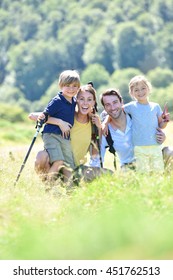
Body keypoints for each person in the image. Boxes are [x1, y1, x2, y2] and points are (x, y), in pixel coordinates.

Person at [29, 83, 105, 184]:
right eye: (81, 99)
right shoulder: (68, 116)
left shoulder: (94, 123)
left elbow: (94, 154)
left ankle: (71, 184)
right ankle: (49, 185)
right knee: (41, 156)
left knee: (108, 175)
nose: (85, 103)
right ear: (76, 100)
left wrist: (99, 128)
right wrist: (59, 122)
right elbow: (33, 116)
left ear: (94, 102)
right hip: (55, 164)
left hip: (76, 168)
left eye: (89, 99)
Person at [90, 88, 167, 172]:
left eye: (115, 102)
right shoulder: (106, 132)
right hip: (129, 167)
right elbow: (96, 160)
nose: (112, 107)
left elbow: (153, 126)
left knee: (169, 152)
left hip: (151, 156)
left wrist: (162, 136)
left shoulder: (135, 116)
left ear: (121, 103)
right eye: (108, 105)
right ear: (104, 108)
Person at [34, 69, 80, 184]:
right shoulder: (57, 101)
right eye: (67, 86)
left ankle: (71, 190)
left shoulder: (74, 101)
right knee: (58, 161)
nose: (71, 89)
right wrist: (58, 122)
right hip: (52, 135)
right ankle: (49, 186)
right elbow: (45, 115)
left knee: (69, 164)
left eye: (75, 86)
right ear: (61, 86)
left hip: (65, 137)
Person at [123, 75, 169, 173]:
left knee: (158, 172)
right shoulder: (131, 106)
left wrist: (165, 121)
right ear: (132, 93)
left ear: (148, 89)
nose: (140, 92)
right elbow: (116, 111)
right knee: (142, 172)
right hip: (139, 147)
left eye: (143, 88)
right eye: (136, 90)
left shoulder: (155, 106)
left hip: (155, 145)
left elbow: (161, 125)